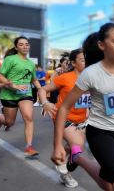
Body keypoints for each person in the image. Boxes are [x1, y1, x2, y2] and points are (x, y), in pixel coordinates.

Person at [51, 23, 114, 191]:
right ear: (102, 46)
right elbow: (64, 108)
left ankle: (78, 157)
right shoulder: (91, 74)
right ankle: (77, 155)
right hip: (99, 132)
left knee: (108, 184)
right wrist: (57, 144)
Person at [38, 49, 85, 188]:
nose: (87, 62)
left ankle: (61, 155)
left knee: (75, 148)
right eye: (82, 59)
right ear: (73, 63)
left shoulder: (91, 78)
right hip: (63, 117)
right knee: (78, 146)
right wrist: (45, 103)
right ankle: (65, 175)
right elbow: (42, 90)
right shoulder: (65, 77)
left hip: (82, 120)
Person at [0, 36, 42, 158]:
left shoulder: (31, 64)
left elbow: (34, 79)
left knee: (28, 117)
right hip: (9, 94)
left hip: (25, 94)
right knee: (9, 122)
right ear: (16, 47)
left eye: (26, 44)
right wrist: (12, 85)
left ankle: (29, 147)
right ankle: (1, 118)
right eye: (21, 44)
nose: (25, 46)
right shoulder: (10, 59)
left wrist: (42, 91)